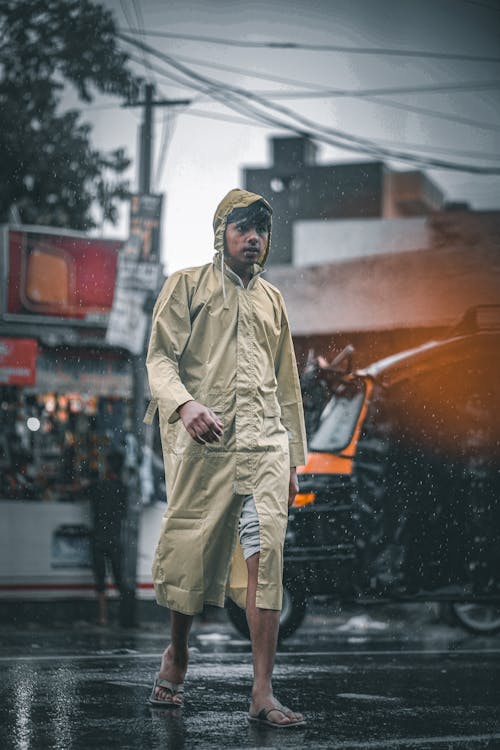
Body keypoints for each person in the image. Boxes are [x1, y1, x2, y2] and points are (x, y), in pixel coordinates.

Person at [144, 188, 307, 727]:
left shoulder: (273, 302)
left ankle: (263, 692)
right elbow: (160, 359)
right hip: (204, 449)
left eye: (262, 228)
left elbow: (287, 386)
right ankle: (178, 653)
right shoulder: (187, 286)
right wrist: (185, 404)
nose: (254, 237)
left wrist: (292, 460)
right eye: (243, 228)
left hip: (264, 450)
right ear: (222, 233)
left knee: (267, 565)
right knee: (190, 548)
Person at [85, 449, 127, 626]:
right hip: (115, 538)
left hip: (99, 537)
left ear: (108, 465)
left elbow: (83, 493)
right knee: (119, 578)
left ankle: (103, 617)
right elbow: (124, 512)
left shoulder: (97, 486)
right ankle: (123, 614)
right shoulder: (123, 488)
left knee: (100, 579)